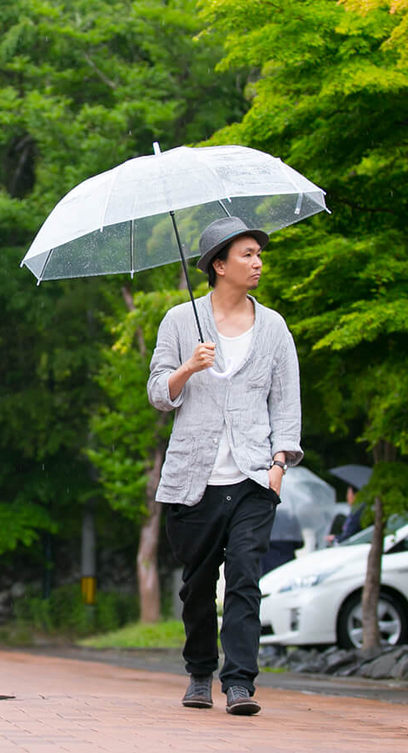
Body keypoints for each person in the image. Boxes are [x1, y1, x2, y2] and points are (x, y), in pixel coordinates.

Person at [148, 215, 303, 717]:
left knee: (243, 577)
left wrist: (280, 462)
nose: (258, 263)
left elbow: (286, 402)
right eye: (247, 255)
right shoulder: (178, 321)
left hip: (255, 475)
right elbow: (157, 395)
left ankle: (239, 683)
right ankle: (199, 673)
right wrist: (188, 367)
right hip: (194, 479)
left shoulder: (275, 326)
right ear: (218, 265)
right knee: (197, 584)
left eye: (259, 254)